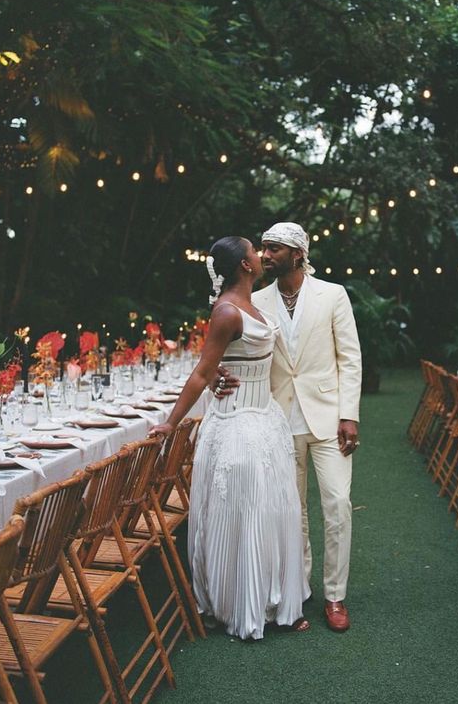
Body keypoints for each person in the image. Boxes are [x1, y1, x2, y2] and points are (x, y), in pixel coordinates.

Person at [149, 236, 310, 640]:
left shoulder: (252, 306)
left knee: (274, 511)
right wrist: (170, 423)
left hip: (265, 421)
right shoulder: (226, 311)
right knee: (243, 515)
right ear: (245, 265)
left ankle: (272, 599)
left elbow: (228, 360)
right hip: (236, 425)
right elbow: (203, 372)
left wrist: (225, 371)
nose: (261, 255)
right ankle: (239, 604)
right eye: (255, 251)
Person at [217, 222, 362, 632]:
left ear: (298, 253)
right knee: (291, 510)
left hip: (329, 418)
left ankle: (335, 595)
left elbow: (350, 358)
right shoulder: (255, 299)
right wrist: (217, 377)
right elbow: (229, 349)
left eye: (274, 248)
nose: (264, 255)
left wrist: (349, 414)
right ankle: (299, 588)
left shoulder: (333, 295)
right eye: (262, 248)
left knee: (336, 505)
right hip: (276, 417)